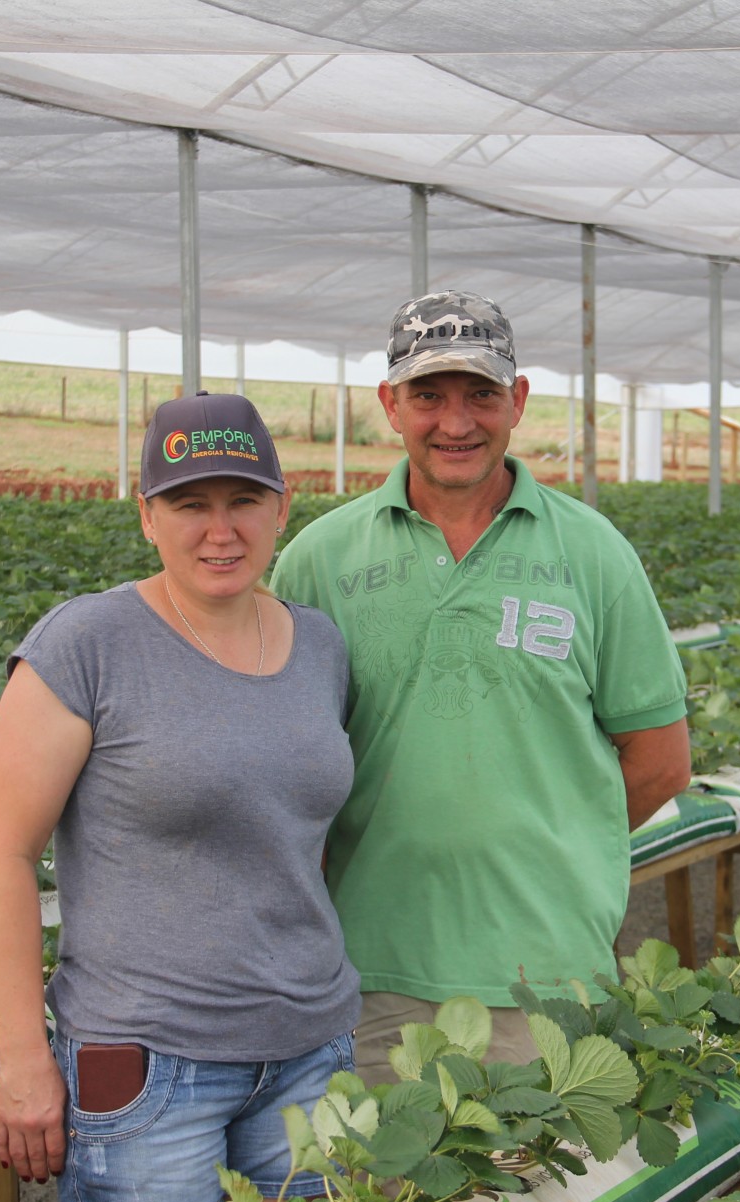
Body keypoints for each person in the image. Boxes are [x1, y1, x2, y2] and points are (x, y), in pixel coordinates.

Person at [0, 393, 361, 1202]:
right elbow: (3, 856)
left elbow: (303, 834)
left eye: (243, 501)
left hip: (310, 1049)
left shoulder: (321, 646)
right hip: (151, 1065)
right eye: (190, 504)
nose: (219, 531)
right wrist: (24, 1056)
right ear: (148, 515)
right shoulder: (86, 645)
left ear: (282, 506)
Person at [273, 291, 691, 1081]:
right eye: (428, 395)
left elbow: (662, 759)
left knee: (539, 1198)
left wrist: (557, 847)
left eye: (481, 395)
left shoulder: (595, 554)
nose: (456, 422)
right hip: (369, 973)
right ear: (389, 405)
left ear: (519, 401)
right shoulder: (318, 561)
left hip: (542, 977)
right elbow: (292, 761)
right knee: (376, 1192)